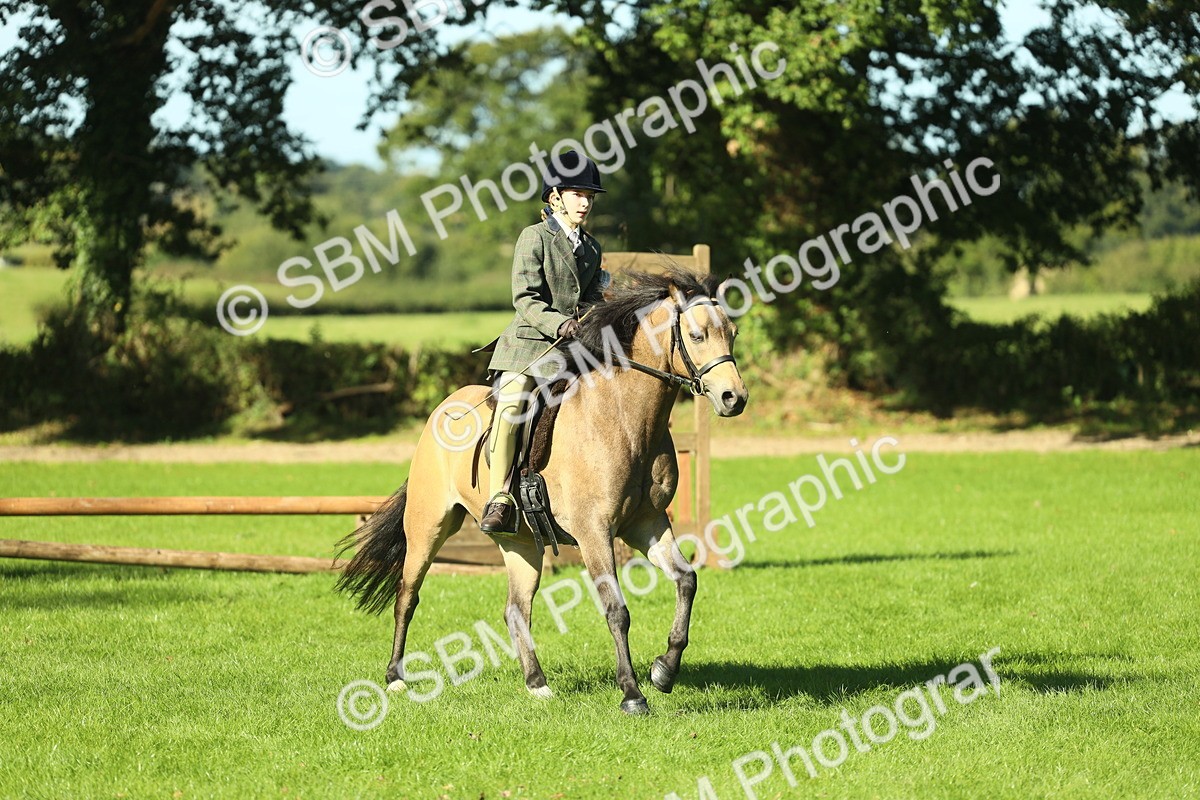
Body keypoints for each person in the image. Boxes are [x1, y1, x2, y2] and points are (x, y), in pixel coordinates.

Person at [478, 150, 609, 534]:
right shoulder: (533, 237)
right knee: (514, 403)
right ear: (555, 197)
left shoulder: (593, 247)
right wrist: (560, 325)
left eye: (589, 196)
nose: (585, 202)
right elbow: (525, 297)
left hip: (573, 348)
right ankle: (499, 496)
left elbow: (588, 299)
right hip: (531, 344)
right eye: (577, 194)